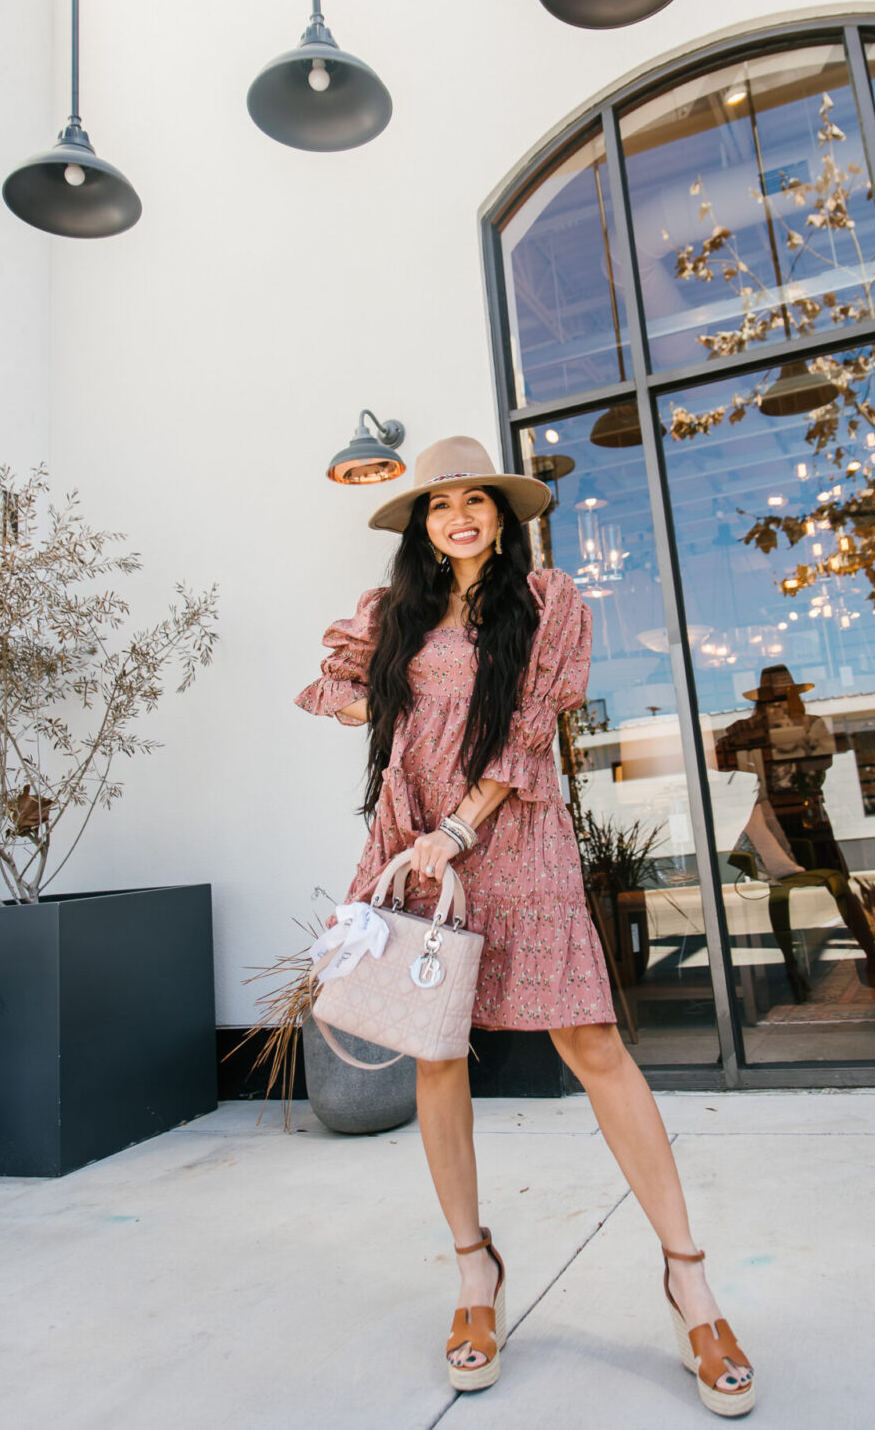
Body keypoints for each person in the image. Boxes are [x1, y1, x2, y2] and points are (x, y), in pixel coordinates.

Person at [295, 435, 754, 1416]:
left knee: (591, 1040)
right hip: (419, 844)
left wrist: (463, 822)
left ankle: (690, 1281)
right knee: (436, 1047)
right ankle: (475, 1273)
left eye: (476, 499)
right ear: (422, 524)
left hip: (516, 835)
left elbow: (527, 728)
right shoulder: (396, 613)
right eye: (439, 503)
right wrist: (382, 731)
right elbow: (359, 700)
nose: (458, 515)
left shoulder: (549, 602)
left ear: (502, 515)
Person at [716, 665, 875, 1001]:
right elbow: (722, 752)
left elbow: (820, 761)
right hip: (772, 815)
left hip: (809, 812)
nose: (778, 702)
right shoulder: (751, 727)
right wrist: (755, 745)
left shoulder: (811, 724)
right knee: (778, 891)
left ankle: (872, 958)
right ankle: (790, 966)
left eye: (784, 695)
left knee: (840, 883)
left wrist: (773, 743)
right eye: (771, 697)